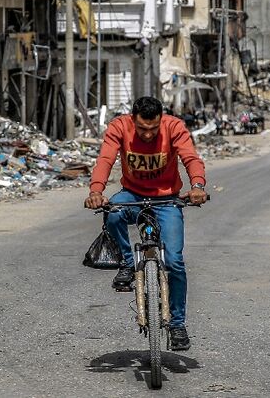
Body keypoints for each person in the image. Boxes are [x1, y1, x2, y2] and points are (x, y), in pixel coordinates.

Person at [84, 96, 207, 351]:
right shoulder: (119, 127)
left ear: (161, 120)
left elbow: (190, 158)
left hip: (167, 200)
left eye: (153, 128)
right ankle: (128, 264)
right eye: (142, 129)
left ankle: (177, 324)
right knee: (114, 212)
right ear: (133, 120)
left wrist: (197, 186)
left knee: (174, 261)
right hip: (133, 196)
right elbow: (105, 160)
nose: (148, 135)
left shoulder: (174, 127)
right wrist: (96, 191)